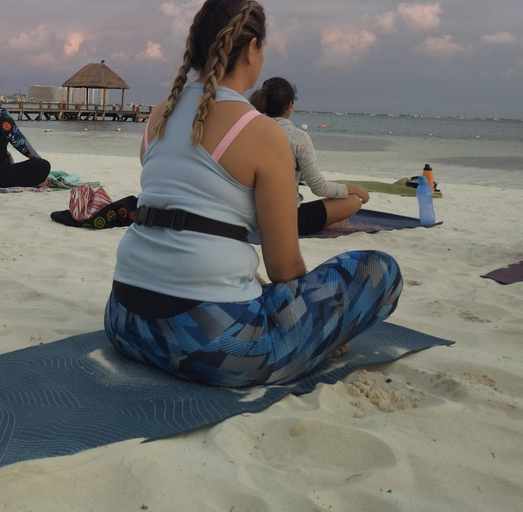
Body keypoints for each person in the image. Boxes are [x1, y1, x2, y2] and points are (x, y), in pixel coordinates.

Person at [104, 0, 403, 388]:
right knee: (381, 270)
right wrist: (316, 323)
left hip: (125, 322)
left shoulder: (161, 112)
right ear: (251, 48)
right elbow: (284, 269)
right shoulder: (262, 132)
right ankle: (315, 342)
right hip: (211, 345)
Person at [249, 77, 370, 235]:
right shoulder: (298, 137)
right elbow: (319, 187)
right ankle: (327, 224)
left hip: (251, 217)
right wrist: (352, 189)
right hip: (286, 221)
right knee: (354, 201)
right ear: (290, 104)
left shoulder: (249, 131)